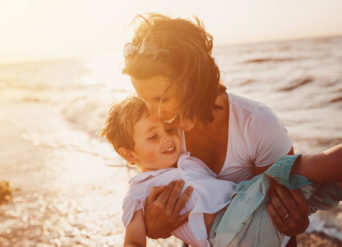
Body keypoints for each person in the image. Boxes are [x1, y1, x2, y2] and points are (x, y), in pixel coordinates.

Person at [121, 13, 309, 245]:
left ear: (195, 81)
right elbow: (153, 190)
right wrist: (153, 226)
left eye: (162, 98)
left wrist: (297, 220)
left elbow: (284, 211)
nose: (154, 114)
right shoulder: (164, 133)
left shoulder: (257, 124)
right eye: (145, 100)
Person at [101, 96, 342, 247]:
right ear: (129, 155)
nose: (168, 139)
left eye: (168, 129)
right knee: (294, 170)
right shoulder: (138, 192)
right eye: (153, 136)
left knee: (320, 186)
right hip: (227, 233)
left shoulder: (187, 159)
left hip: (253, 218)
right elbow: (133, 240)